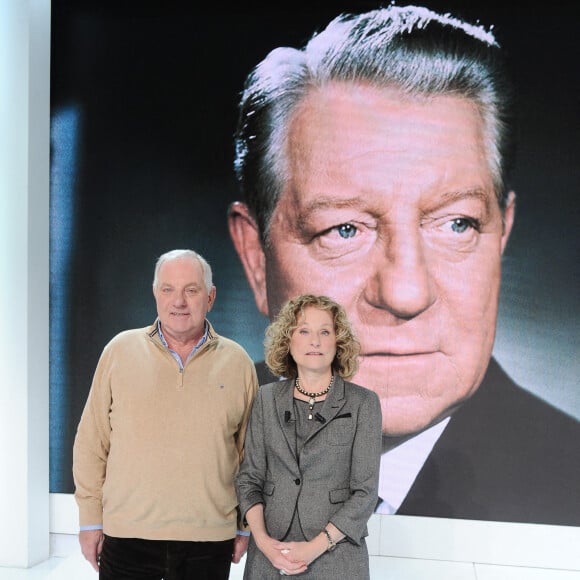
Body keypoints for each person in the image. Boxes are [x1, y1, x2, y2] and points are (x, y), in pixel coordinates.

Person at [227, 5, 580, 526]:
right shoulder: (172, 452)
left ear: (500, 234)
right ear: (257, 259)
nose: (406, 292)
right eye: (343, 230)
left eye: (456, 224)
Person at [72, 249, 259, 579]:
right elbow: (91, 442)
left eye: (191, 289)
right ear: (155, 294)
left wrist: (243, 525)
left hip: (209, 540)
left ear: (211, 297)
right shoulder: (119, 351)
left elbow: (251, 456)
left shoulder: (238, 362)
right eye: (168, 289)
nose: (179, 302)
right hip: (127, 536)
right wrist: (90, 520)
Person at [236, 294, 381, 579]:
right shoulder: (265, 398)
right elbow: (249, 478)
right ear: (287, 342)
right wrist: (264, 543)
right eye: (304, 331)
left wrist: (314, 548)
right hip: (270, 558)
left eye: (324, 332)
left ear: (338, 342)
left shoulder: (364, 403)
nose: (314, 341)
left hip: (336, 558)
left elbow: (365, 493)